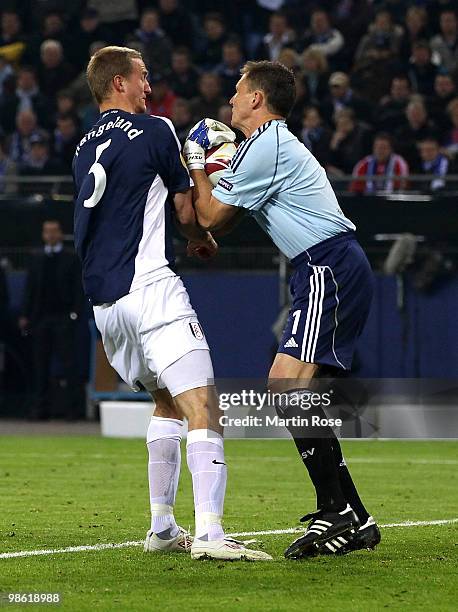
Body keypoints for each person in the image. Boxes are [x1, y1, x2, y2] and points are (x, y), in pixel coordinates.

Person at [72, 45, 270, 562]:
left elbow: (130, 210)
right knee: (203, 402)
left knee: (164, 402)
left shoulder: (83, 146)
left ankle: (162, 526)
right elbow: (189, 212)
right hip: (151, 287)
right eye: (142, 77)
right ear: (119, 84)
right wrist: (206, 194)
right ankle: (210, 535)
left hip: (105, 304)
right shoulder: (157, 130)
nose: (148, 86)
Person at [183, 60, 380, 559]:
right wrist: (213, 177)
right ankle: (354, 515)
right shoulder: (264, 147)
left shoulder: (267, 144)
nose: (230, 101)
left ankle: (335, 511)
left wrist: (196, 162)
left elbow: (209, 214)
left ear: (256, 99)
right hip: (329, 264)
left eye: (237, 92)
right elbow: (220, 223)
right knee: (300, 393)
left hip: (326, 263)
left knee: (285, 386)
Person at [19, 220, 83, 420]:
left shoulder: (71, 258)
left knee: (68, 364)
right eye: (47, 231)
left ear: (60, 234)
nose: (51, 235)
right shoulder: (36, 258)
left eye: (54, 231)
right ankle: (40, 408)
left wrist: (74, 314)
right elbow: (29, 289)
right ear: (43, 234)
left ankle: (73, 409)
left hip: (63, 317)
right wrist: (25, 315)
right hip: (41, 319)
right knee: (40, 365)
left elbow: (78, 290)